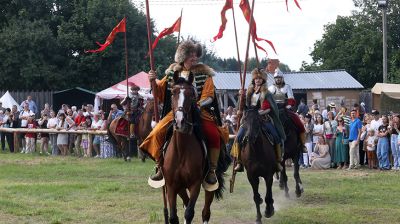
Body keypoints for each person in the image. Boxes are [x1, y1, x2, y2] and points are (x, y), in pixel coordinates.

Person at [140, 40, 226, 188]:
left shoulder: (205, 73)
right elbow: (160, 93)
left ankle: (211, 170)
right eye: (191, 54)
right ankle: (160, 167)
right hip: (176, 112)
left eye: (195, 54)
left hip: (199, 111)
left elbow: (209, 96)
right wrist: (152, 81)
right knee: (157, 132)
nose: (194, 58)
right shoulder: (173, 73)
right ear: (183, 56)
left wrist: (198, 105)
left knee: (214, 134)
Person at [233, 68, 286, 172]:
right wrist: (241, 97)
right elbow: (242, 106)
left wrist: (260, 113)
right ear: (253, 80)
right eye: (256, 78)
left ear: (263, 80)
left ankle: (278, 161)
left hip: (263, 119)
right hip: (248, 120)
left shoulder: (267, 93)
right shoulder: (248, 92)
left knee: (276, 137)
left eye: (260, 78)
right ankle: (239, 162)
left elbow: (269, 108)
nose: (258, 80)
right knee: (238, 137)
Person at [267, 67, 306, 151]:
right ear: (274, 79)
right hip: (273, 110)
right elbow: (268, 100)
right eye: (276, 78)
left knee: (298, 121)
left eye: (279, 78)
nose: (278, 80)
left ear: (282, 78)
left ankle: (302, 144)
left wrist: (287, 106)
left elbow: (291, 99)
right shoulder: (270, 88)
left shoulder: (287, 87)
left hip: (285, 108)